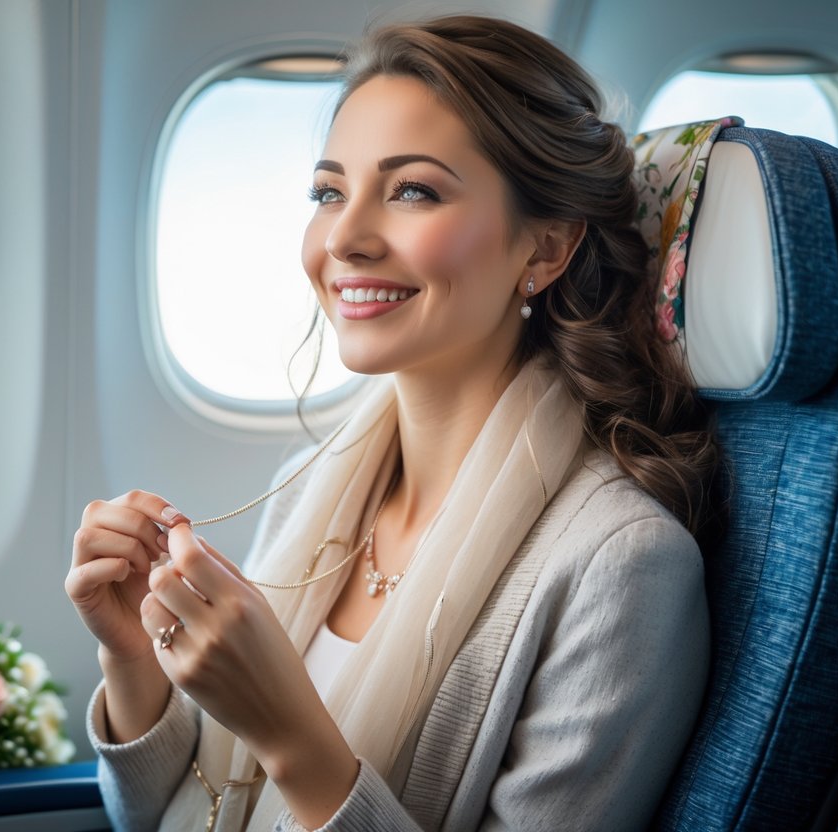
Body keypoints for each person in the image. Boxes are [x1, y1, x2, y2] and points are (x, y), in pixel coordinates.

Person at [66, 14, 719, 831]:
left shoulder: (618, 566)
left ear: (544, 250)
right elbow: (164, 817)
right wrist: (132, 661)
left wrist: (291, 739)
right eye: (328, 192)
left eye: (412, 190)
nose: (343, 236)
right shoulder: (313, 487)